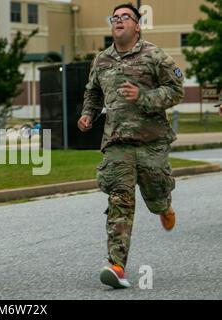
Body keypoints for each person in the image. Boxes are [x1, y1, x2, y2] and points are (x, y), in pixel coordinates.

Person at [78, 3, 184, 289]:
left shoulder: (155, 55)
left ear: (138, 26)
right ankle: (116, 265)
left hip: (152, 142)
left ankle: (164, 207)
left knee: (156, 196)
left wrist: (143, 97)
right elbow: (93, 92)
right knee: (119, 201)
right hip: (117, 142)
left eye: (126, 17)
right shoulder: (102, 60)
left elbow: (176, 90)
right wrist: (88, 113)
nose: (119, 20)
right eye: (115, 17)